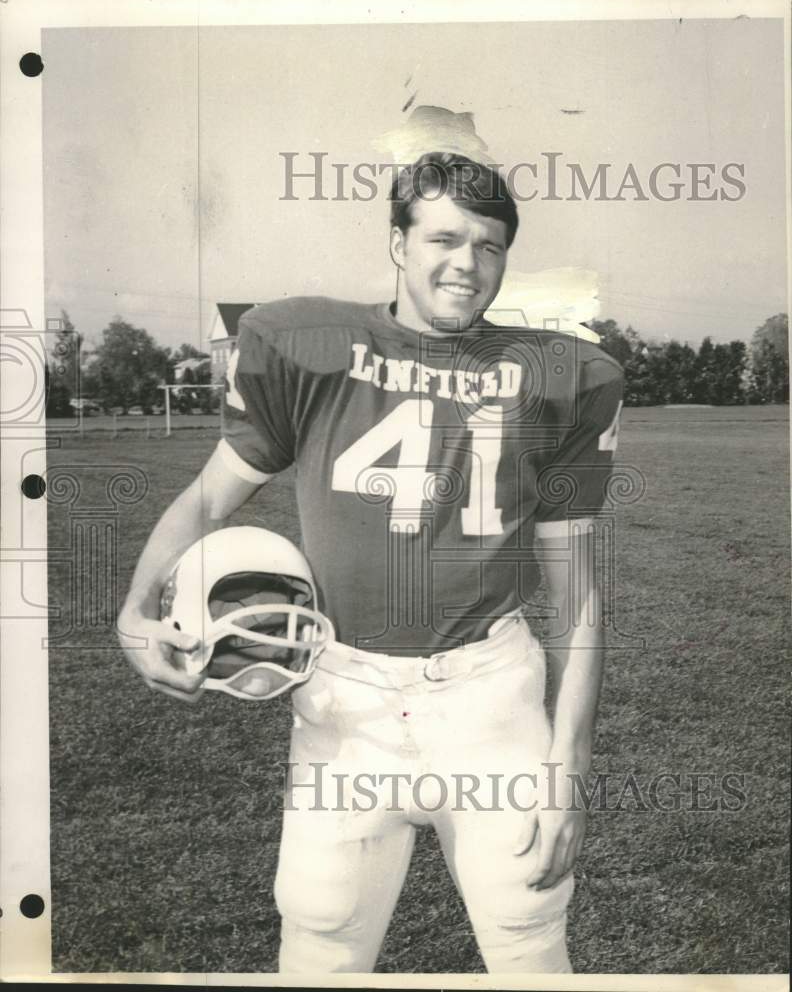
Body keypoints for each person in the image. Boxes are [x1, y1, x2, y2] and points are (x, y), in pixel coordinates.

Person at [118, 150, 624, 973]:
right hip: (342, 697)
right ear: (398, 241)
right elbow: (210, 500)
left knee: (530, 935)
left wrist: (569, 772)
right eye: (444, 239)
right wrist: (136, 611)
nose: (467, 263)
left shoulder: (562, 377)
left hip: (489, 696)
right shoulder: (307, 345)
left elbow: (579, 602)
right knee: (320, 941)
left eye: (490, 246)